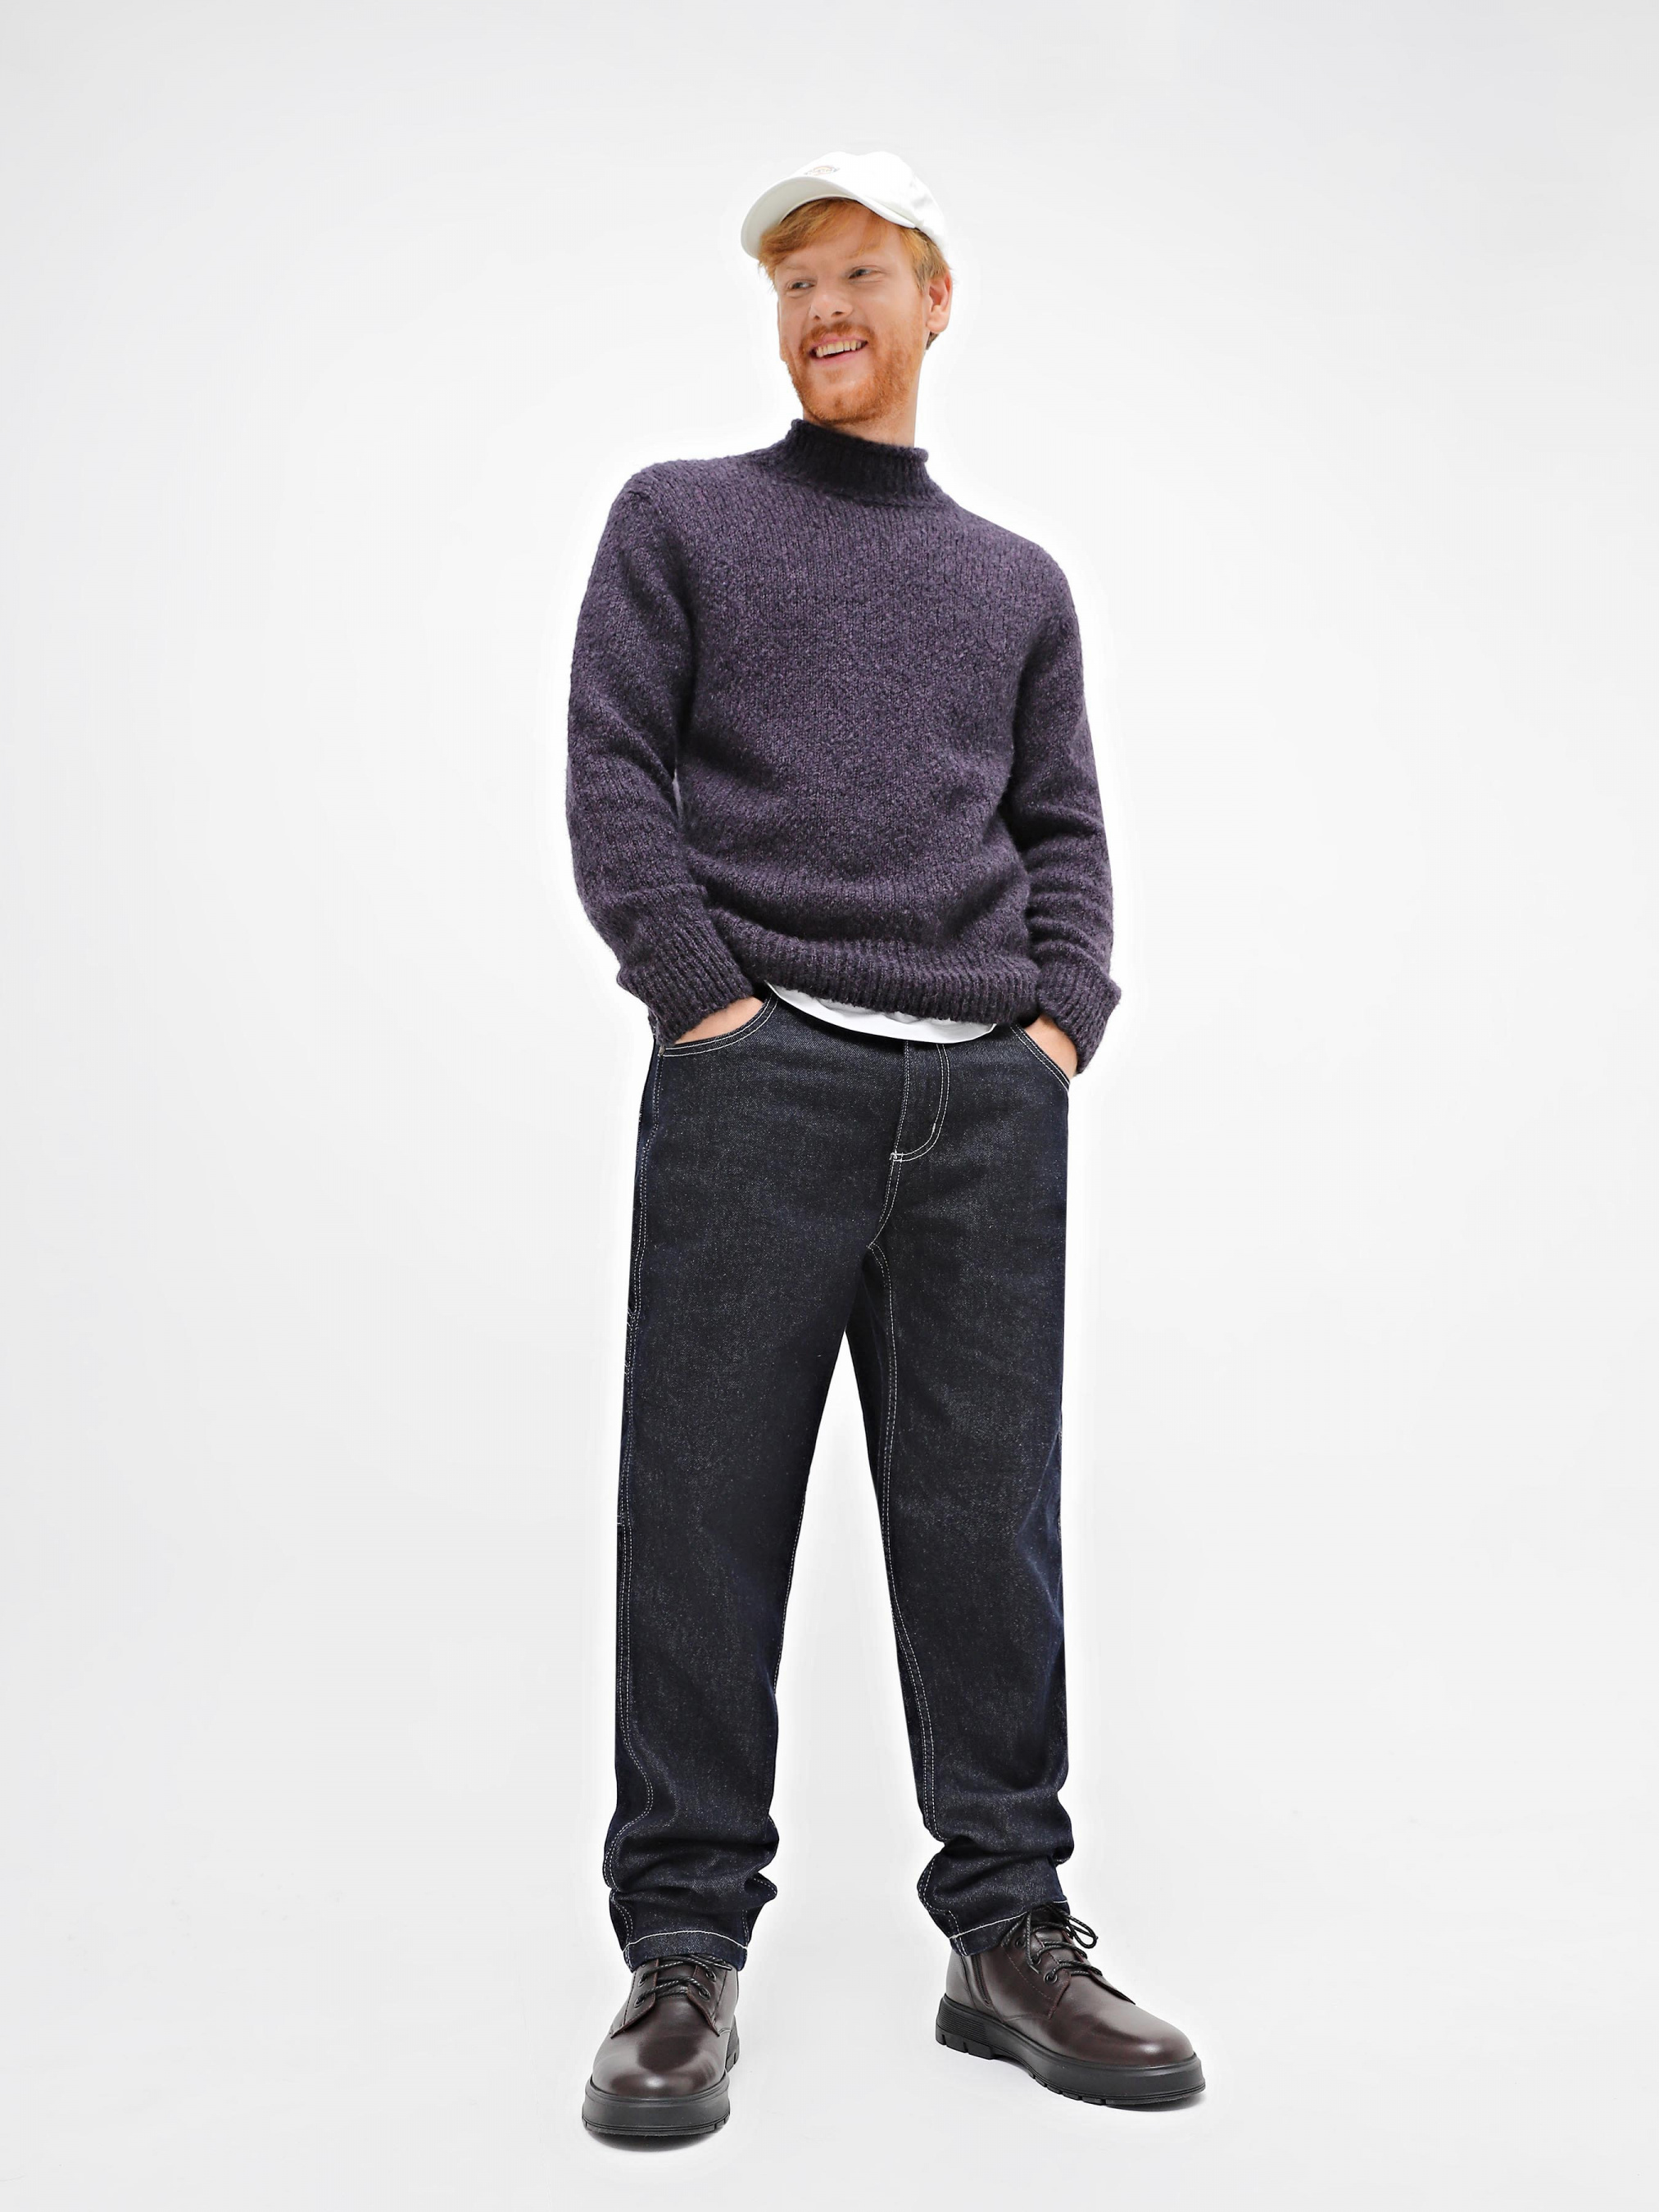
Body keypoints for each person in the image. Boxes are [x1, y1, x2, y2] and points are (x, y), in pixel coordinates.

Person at [565, 149, 1202, 2139]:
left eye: (857, 274)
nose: (822, 310)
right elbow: (612, 775)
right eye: (792, 283)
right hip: (758, 1085)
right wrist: (706, 1002)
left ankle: (1004, 1931)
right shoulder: (679, 519)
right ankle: (682, 1955)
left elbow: (1062, 825)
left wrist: (1055, 1026)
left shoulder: (1014, 585)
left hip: (982, 1103)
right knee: (703, 1516)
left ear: (934, 300)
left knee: (983, 1527)